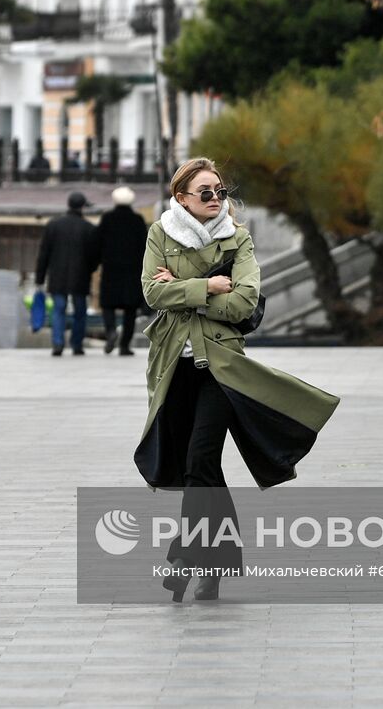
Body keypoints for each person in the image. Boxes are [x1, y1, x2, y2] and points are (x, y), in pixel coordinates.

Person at [137, 157, 340, 602]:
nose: (214, 199)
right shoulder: (160, 234)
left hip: (222, 365)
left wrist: (187, 290)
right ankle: (216, 564)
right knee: (204, 470)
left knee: (198, 459)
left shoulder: (238, 239)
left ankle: (188, 556)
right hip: (173, 363)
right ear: (181, 198)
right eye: (204, 192)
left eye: (219, 192)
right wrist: (209, 287)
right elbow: (152, 293)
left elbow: (245, 303)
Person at [35, 191, 97, 357]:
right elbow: (94, 256)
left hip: (57, 276)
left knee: (58, 309)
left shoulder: (53, 225)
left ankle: (57, 343)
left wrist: (39, 277)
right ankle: (76, 344)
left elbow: (44, 253)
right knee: (80, 311)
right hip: (80, 276)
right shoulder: (89, 228)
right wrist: (89, 269)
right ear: (83, 207)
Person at [96, 186, 147, 356]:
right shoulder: (138, 220)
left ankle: (111, 331)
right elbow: (145, 246)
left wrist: (96, 262)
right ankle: (125, 345)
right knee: (130, 310)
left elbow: (98, 243)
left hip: (111, 269)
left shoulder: (107, 219)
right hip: (133, 271)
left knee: (107, 304)